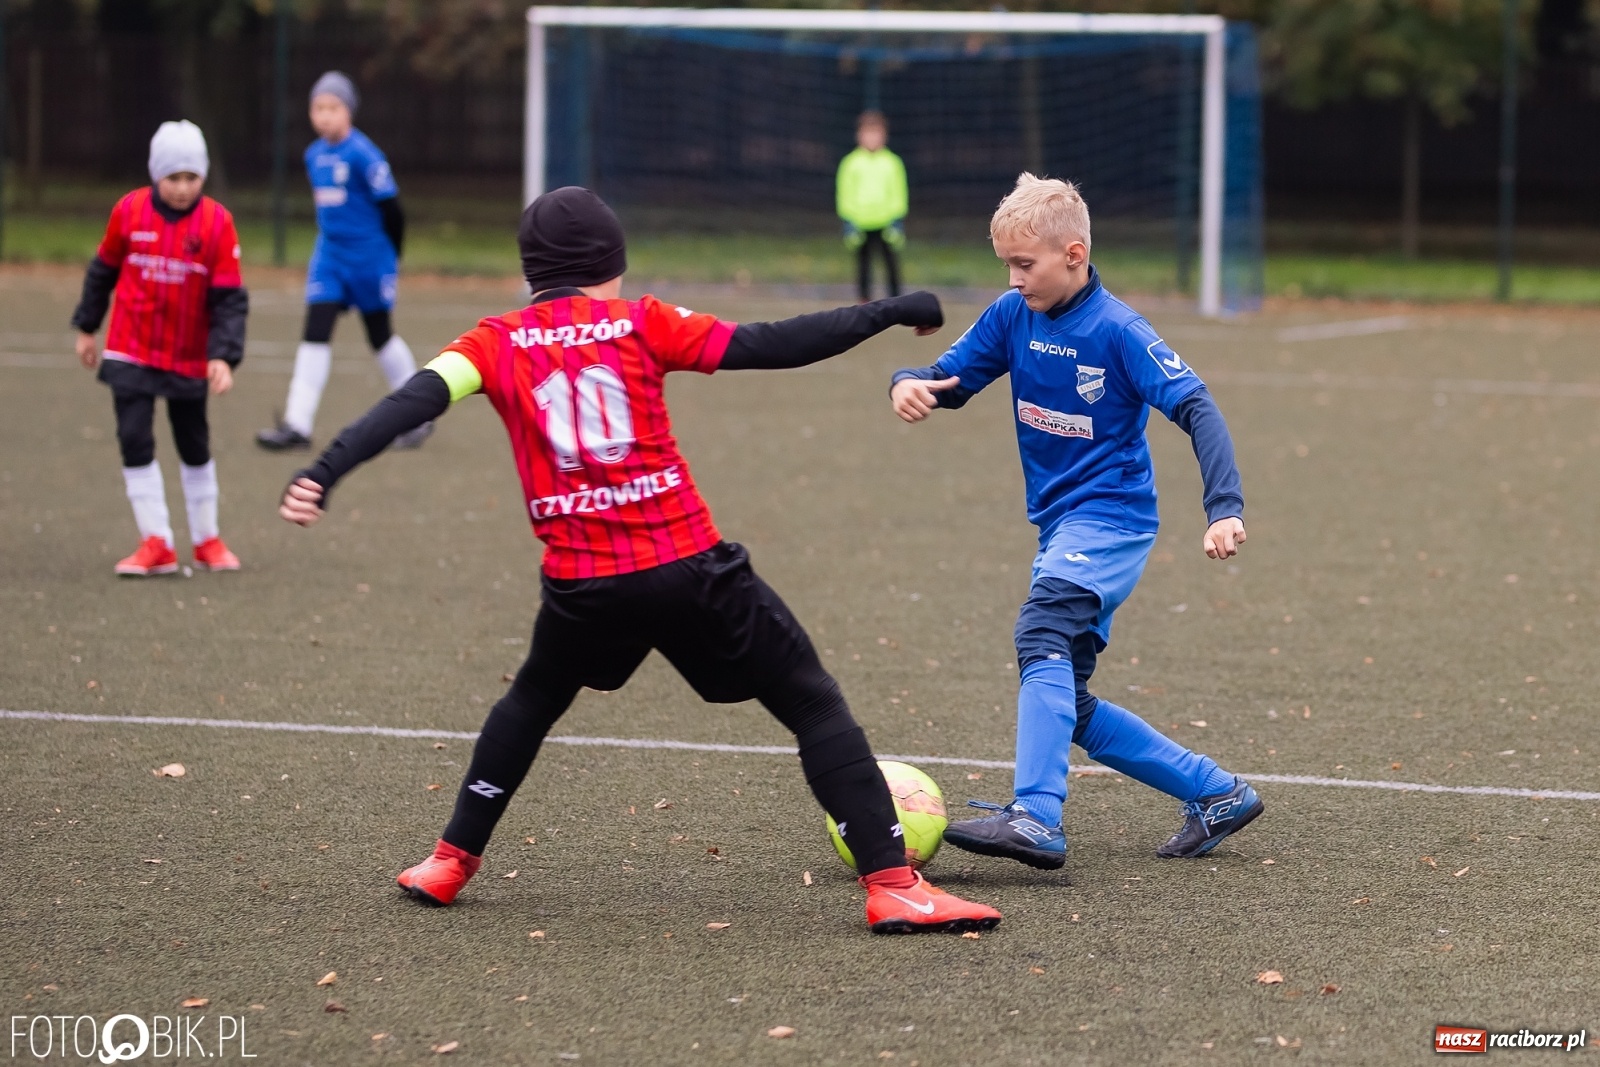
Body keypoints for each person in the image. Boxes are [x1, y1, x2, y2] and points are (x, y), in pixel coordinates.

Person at [277, 186, 1002, 936]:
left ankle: (450, 859)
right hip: (687, 565)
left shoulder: (490, 343)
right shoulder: (640, 322)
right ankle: (894, 885)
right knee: (811, 699)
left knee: (529, 701)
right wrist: (885, 312)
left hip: (582, 585)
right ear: (609, 264)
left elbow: (411, 402)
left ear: (532, 272)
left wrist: (323, 471)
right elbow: (768, 343)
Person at [889, 173, 1263, 870]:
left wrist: (1224, 507)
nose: (1014, 277)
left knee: (1040, 632)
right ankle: (1216, 791)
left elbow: (1198, 407)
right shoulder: (1012, 315)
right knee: (1070, 698)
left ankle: (1034, 814)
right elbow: (949, 377)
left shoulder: (1121, 331)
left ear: (1074, 253)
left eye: (1025, 264)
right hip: (1063, 527)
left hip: (1113, 519)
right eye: (1007, 264)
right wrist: (909, 383)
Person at [71, 120, 248, 576]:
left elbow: (229, 299)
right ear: (156, 175)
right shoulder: (128, 212)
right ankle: (157, 543)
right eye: (174, 178)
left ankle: (207, 539)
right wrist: (87, 327)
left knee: (193, 442)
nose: (183, 188)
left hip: (188, 355)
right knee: (134, 437)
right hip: (130, 348)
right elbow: (102, 271)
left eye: (192, 178)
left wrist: (223, 356)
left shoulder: (217, 223)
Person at [257, 71, 427, 451]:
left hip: (369, 259)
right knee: (315, 332)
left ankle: (420, 415)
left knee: (379, 335)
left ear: (348, 111)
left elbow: (393, 211)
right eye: (318, 107)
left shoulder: (365, 155)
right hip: (330, 258)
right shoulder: (313, 155)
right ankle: (297, 425)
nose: (324, 115)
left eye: (333, 107)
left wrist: (391, 258)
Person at [836, 110, 908, 303]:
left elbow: (898, 192)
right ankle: (864, 300)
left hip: (885, 223)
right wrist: (849, 221)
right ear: (859, 135)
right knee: (863, 265)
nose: (872, 138)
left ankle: (896, 301)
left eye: (876, 133)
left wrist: (896, 220)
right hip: (860, 223)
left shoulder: (892, 163)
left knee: (891, 263)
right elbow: (845, 193)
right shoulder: (850, 163)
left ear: (884, 135)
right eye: (868, 133)